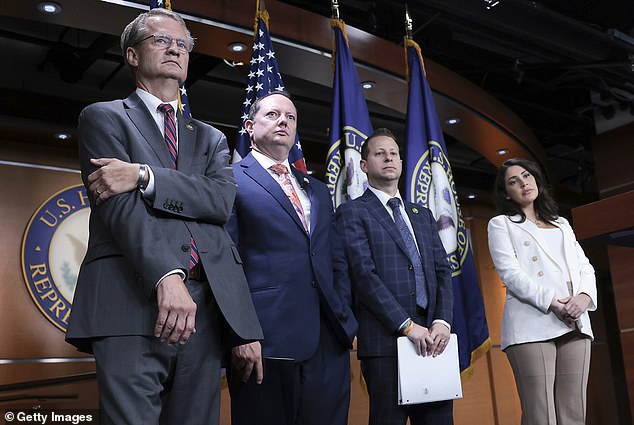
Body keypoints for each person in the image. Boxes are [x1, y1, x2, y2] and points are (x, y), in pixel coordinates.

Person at [65, 8, 262, 425]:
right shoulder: (104, 117)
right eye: (161, 40)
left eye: (183, 45)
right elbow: (120, 210)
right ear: (133, 56)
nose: (175, 48)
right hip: (128, 305)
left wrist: (142, 174)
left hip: (205, 314)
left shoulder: (210, 138)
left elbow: (219, 201)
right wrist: (166, 277)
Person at [226, 91, 357, 425]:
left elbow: (336, 259)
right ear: (249, 126)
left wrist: (344, 318)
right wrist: (241, 333)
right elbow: (225, 262)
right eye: (272, 115)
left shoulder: (317, 189)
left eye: (290, 117)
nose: (283, 120)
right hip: (265, 340)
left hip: (328, 339)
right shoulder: (229, 179)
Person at [334, 128, 454, 425]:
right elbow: (363, 276)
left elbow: (442, 271)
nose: (388, 158)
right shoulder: (352, 212)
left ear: (401, 162)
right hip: (387, 342)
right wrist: (407, 326)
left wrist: (441, 321)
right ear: (364, 165)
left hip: (434, 340)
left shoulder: (422, 214)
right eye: (379, 153)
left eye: (394, 153)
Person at [487, 157, 597, 425]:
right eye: (514, 181)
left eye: (527, 176)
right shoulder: (501, 224)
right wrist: (553, 303)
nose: (523, 183)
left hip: (575, 319)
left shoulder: (561, 223)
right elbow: (511, 274)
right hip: (532, 322)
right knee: (541, 415)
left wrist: (583, 298)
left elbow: (585, 266)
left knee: (574, 413)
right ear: (506, 193)